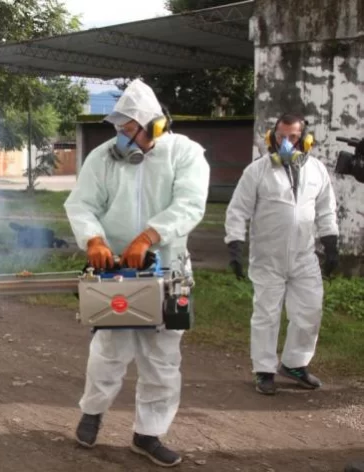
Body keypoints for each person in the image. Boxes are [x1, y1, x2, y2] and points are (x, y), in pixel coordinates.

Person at [64, 79, 210, 468]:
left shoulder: (186, 154)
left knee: (162, 358)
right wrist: (94, 240)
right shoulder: (103, 157)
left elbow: (191, 205)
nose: (122, 140)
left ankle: (149, 434)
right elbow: (81, 204)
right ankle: (92, 413)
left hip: (169, 270)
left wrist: (148, 236)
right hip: (116, 273)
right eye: (118, 131)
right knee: (109, 350)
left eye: (129, 131)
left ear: (155, 126)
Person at [224, 113, 339, 396]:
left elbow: (326, 209)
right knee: (266, 314)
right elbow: (238, 210)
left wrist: (331, 244)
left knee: (310, 312)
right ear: (271, 137)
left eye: (293, 137)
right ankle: (264, 370)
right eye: (281, 136)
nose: (286, 142)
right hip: (268, 257)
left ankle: (295, 364)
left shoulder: (317, 171)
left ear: (305, 139)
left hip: (304, 256)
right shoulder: (257, 171)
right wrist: (235, 245)